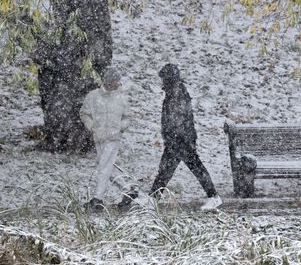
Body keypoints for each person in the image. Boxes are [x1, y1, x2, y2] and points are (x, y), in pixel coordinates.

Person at [135, 63, 222, 211]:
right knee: (168, 170)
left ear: (169, 78)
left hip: (181, 140)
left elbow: (177, 119)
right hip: (178, 139)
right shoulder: (174, 91)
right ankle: (153, 198)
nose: (162, 82)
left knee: (188, 168)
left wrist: (174, 138)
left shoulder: (177, 93)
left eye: (163, 79)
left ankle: (213, 197)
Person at [80, 67, 138, 211]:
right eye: (117, 81)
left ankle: (97, 200)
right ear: (109, 82)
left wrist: (120, 127)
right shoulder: (93, 97)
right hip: (99, 138)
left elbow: (128, 117)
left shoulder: (121, 99)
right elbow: (84, 113)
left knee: (104, 167)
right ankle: (128, 191)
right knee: (107, 167)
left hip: (113, 138)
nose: (119, 83)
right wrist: (91, 126)